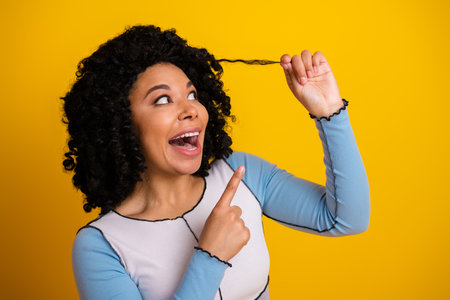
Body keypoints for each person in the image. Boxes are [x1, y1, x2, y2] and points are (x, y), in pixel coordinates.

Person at [62, 25, 370, 300]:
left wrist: (330, 112)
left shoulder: (241, 174)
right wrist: (209, 258)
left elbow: (345, 218)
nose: (191, 110)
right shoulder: (102, 246)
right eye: (163, 100)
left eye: (192, 94)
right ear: (120, 124)